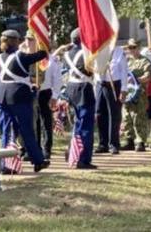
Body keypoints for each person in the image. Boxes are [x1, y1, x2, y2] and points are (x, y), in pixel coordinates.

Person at [0, 29, 50, 172]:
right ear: (16, 42)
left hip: (3, 95)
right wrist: (41, 40)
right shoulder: (21, 56)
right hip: (18, 95)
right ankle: (37, 160)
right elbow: (42, 54)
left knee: (6, 131)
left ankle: (6, 164)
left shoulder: (0, 57)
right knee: (26, 130)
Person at [23, 31, 62, 160]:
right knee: (33, 123)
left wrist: (55, 96)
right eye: (26, 39)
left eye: (30, 39)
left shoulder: (50, 59)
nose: (27, 42)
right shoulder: (25, 57)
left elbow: (57, 79)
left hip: (45, 93)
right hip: (29, 92)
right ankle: (35, 148)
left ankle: (46, 148)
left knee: (46, 122)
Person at [63, 28, 97, 169]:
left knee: (77, 124)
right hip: (84, 88)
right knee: (86, 125)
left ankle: (73, 152)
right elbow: (93, 70)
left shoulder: (67, 53)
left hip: (71, 88)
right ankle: (82, 158)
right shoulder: (87, 54)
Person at [94, 45, 128, 155]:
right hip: (100, 83)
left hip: (114, 84)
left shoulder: (119, 51)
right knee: (99, 113)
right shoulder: (97, 50)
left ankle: (113, 144)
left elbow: (124, 71)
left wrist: (124, 89)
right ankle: (102, 143)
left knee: (114, 114)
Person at [122, 39, 151, 152]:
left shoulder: (145, 62)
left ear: (139, 48)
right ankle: (129, 140)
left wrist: (135, 80)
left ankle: (140, 141)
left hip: (139, 95)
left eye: (134, 47)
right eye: (129, 47)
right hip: (127, 94)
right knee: (126, 117)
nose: (131, 50)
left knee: (138, 118)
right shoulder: (126, 61)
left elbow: (148, 77)